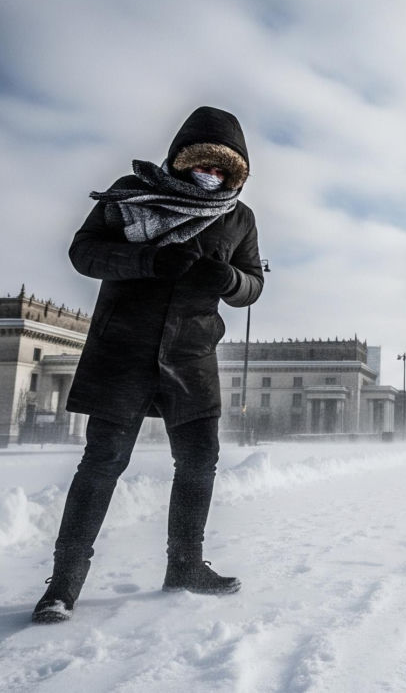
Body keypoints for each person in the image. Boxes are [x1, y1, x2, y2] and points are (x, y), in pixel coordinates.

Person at [32, 106, 264, 624]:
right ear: (180, 158)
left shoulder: (238, 217)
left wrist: (228, 280)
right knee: (102, 462)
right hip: (124, 351)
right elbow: (84, 253)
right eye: (202, 163)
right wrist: (148, 260)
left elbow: (253, 283)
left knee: (199, 462)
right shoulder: (132, 194)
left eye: (223, 169)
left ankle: (185, 566)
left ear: (236, 173)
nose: (211, 174)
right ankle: (62, 586)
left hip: (192, 355)